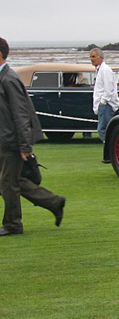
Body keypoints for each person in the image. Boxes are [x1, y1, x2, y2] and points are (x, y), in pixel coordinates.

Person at [0, 37, 66, 236]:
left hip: (12, 141)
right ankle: (54, 202)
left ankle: (13, 224)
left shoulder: (8, 79)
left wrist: (24, 146)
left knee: (8, 183)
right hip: (7, 139)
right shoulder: (5, 78)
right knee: (12, 181)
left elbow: (21, 113)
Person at [89, 48, 119, 152]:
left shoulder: (105, 70)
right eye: (90, 57)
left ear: (100, 57)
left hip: (107, 105)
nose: (91, 59)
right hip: (102, 104)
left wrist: (103, 101)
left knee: (103, 129)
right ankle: (111, 150)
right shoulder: (99, 70)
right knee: (104, 129)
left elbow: (109, 88)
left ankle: (112, 150)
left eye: (93, 57)